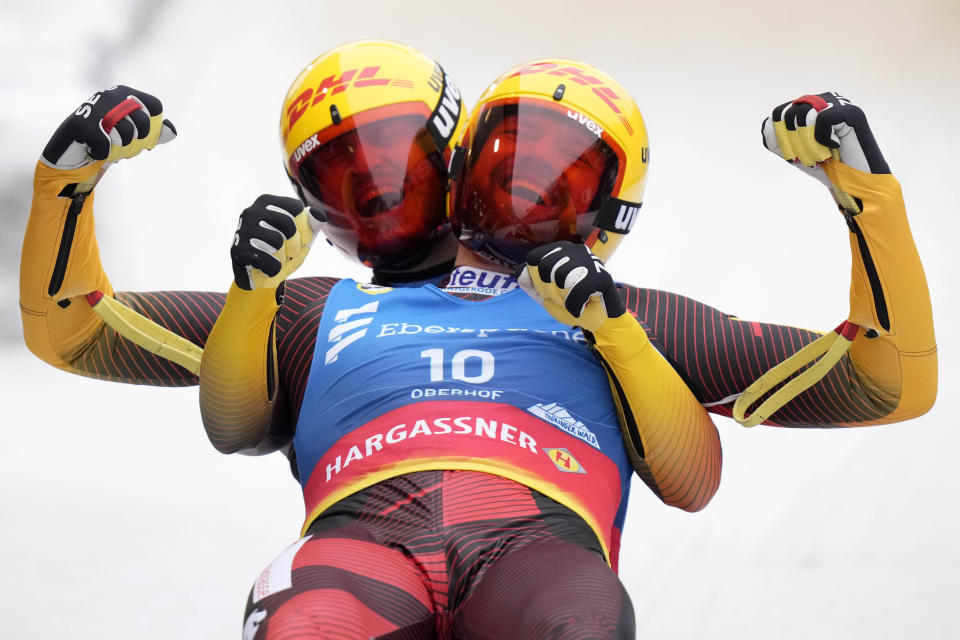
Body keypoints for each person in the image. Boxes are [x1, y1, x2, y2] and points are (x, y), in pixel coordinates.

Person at [198, 58, 936, 638]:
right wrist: (242, 288)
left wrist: (862, 188)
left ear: (606, 219)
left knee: (574, 620)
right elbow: (89, 332)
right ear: (457, 168)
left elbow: (889, 383)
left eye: (563, 184)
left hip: (527, 559)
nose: (529, 195)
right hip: (367, 551)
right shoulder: (307, 304)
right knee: (310, 624)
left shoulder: (629, 320)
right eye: (506, 162)